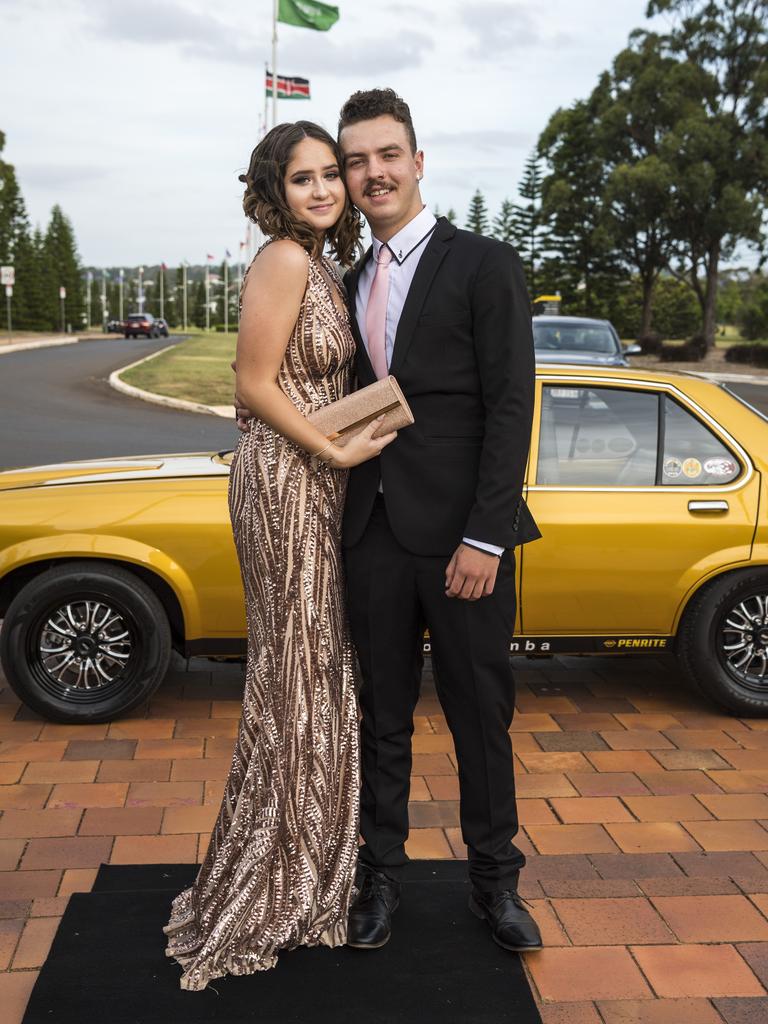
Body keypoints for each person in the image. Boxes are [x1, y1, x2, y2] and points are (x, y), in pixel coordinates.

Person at [163, 120, 395, 991]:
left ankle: (304, 870)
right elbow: (252, 382)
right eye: (305, 179)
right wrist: (334, 453)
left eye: (331, 174)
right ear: (275, 189)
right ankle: (274, 882)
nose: (326, 189)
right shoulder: (286, 259)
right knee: (300, 672)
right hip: (289, 481)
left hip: (313, 476)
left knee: (310, 669)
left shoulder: (322, 260)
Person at [336, 89, 543, 953]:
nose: (373, 172)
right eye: (357, 161)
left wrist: (487, 536)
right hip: (372, 534)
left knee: (478, 718)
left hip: (466, 542)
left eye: (388, 154)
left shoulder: (484, 265)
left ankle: (494, 885)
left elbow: (511, 405)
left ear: (418, 161)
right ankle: (378, 878)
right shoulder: (345, 281)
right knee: (380, 717)